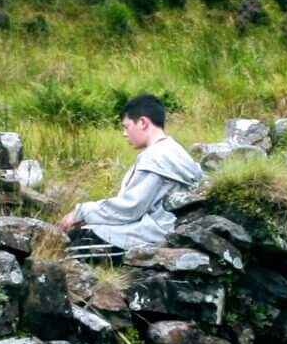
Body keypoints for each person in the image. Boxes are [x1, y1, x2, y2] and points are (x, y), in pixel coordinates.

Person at [59, 93, 205, 255]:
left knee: (76, 241)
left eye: (126, 126)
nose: (124, 133)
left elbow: (130, 208)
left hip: (152, 235)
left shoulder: (155, 156)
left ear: (142, 122)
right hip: (165, 229)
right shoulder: (175, 150)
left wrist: (81, 212)